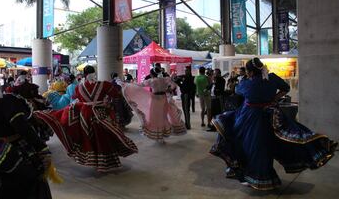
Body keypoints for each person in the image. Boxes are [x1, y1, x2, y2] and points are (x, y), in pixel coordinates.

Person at [210, 57, 337, 190]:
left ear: (251, 72)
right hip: (270, 114)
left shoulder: (247, 83)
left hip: (250, 117)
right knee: (266, 146)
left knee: (247, 144)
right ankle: (262, 177)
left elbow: (237, 91)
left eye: (247, 71)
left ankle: (252, 175)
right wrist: (273, 99)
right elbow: (286, 88)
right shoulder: (271, 78)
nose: (247, 73)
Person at [34, 65, 138, 172]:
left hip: (85, 114)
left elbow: (75, 98)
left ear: (84, 74)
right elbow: (116, 95)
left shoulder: (79, 87)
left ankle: (95, 160)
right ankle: (106, 161)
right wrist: (108, 101)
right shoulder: (104, 84)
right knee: (104, 136)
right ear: (94, 73)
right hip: (100, 113)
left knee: (89, 137)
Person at [0, 63, 52, 198]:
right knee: (31, 183)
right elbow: (23, 127)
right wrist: (43, 149)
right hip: (13, 152)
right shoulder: (8, 101)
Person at [122, 68, 186, 142]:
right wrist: (169, 90)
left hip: (155, 100)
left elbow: (140, 85)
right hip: (163, 98)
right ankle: (162, 134)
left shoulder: (151, 81)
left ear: (151, 74)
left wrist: (128, 84)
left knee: (155, 117)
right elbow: (174, 85)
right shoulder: (165, 79)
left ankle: (158, 135)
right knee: (163, 116)